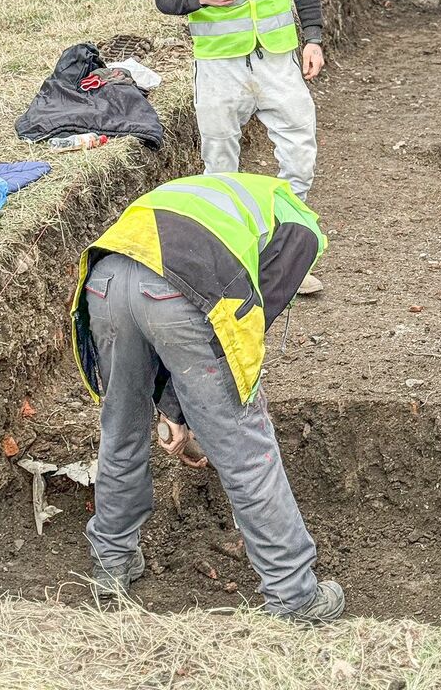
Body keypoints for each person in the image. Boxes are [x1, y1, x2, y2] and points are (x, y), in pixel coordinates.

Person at [70, 171, 345, 623]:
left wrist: (175, 409)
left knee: (120, 430)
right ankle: (296, 597)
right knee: (245, 450)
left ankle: (111, 563)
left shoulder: (221, 196)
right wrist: (194, 409)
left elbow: (160, 307)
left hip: (105, 277)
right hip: (177, 289)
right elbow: (249, 317)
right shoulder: (302, 226)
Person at [155, 0, 325, 293]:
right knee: (220, 163)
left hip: (276, 57)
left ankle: (289, 260)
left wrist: (312, 36)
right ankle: (231, 262)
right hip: (219, 65)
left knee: (299, 150)